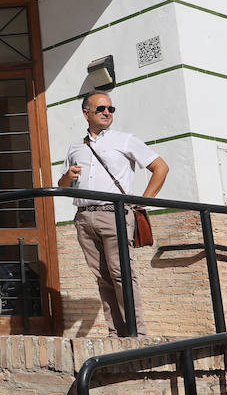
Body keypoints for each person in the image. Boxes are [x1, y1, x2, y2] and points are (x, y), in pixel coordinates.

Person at [59, 91, 168, 336]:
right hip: (84, 217)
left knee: (122, 274)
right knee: (102, 278)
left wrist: (141, 203)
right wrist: (68, 177)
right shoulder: (76, 147)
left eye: (110, 109)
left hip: (114, 214)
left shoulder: (125, 140)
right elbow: (64, 185)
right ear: (86, 113)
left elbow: (160, 167)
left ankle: (137, 333)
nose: (107, 112)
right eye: (101, 109)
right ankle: (115, 333)